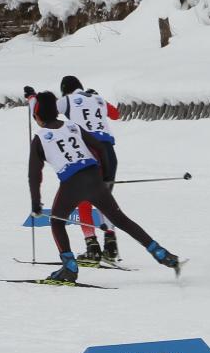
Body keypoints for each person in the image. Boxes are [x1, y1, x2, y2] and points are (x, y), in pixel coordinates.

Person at [27, 90, 180, 284]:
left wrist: (35, 203)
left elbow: (34, 174)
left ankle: (69, 267)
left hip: (71, 184)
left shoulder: (39, 138)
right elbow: (99, 146)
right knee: (121, 220)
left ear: (37, 116)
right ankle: (160, 252)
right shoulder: (72, 126)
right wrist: (106, 177)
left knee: (57, 222)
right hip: (94, 178)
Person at [60, 74, 122, 264]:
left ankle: (92, 248)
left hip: (90, 152)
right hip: (110, 155)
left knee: (83, 200)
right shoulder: (97, 98)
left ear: (64, 90)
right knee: (105, 199)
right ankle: (111, 247)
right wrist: (96, 100)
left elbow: (45, 111)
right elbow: (116, 115)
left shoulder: (67, 100)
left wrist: (31, 98)